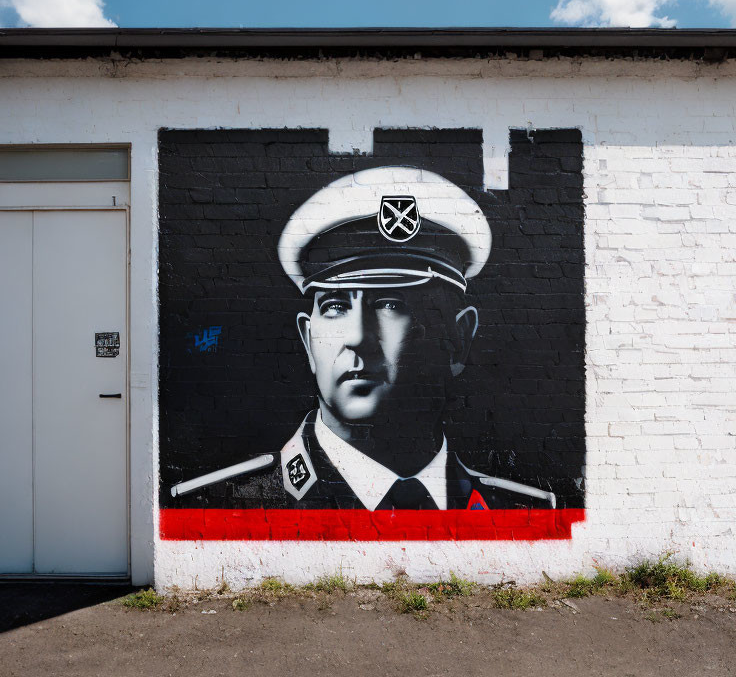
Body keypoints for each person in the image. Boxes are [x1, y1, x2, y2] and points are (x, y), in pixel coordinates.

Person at [170, 166, 555, 510]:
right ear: (308, 339)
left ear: (458, 339)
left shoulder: (523, 510)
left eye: (389, 304)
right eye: (335, 306)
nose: (355, 338)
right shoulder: (223, 503)